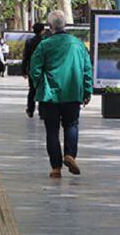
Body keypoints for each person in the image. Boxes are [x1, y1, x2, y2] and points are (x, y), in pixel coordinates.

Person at [30, 10, 92, 178]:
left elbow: (34, 70)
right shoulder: (78, 44)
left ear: (50, 27)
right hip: (72, 93)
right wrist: (87, 91)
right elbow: (87, 69)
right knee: (71, 125)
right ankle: (70, 155)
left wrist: (39, 86)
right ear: (65, 25)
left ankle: (56, 168)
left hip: (50, 95)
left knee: (52, 130)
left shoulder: (44, 45)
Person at [21, 22, 47, 118]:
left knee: (32, 90)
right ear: (42, 31)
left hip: (32, 69)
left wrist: (24, 71)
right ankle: (42, 111)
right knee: (43, 89)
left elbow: (25, 57)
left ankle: (30, 109)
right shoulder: (45, 42)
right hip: (43, 69)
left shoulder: (29, 42)